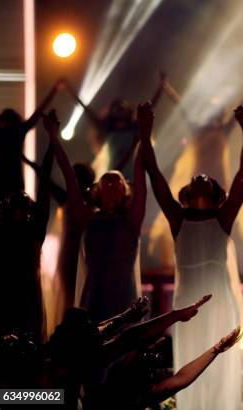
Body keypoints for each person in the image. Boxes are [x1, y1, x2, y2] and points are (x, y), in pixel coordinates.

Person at [140, 104, 243, 410]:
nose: (201, 176)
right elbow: (153, 172)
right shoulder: (178, 219)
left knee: (219, 365)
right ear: (186, 192)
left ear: (216, 193)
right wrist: (145, 131)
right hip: (188, 305)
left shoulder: (223, 218)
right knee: (191, 366)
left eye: (206, 178)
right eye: (196, 178)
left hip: (219, 305)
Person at [44, 108, 147, 323]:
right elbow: (69, 177)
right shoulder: (88, 218)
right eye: (106, 180)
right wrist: (53, 138)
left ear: (125, 190)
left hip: (124, 299)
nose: (110, 182)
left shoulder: (132, 220)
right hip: (94, 298)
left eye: (116, 180)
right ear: (97, 190)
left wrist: (144, 134)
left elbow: (140, 169)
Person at [0, 139, 54, 341]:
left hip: (20, 295)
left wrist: (53, 145)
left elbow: (44, 188)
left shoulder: (31, 229)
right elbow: (44, 188)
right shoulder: (5, 229)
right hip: (9, 295)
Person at [64, 73, 165, 179]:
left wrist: (161, 86)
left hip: (133, 173)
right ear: (112, 112)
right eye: (117, 108)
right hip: (115, 172)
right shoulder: (108, 128)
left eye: (122, 107)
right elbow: (86, 110)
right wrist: (69, 89)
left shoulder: (133, 126)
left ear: (128, 110)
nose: (120, 110)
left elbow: (150, 106)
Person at [0, 79, 64, 199]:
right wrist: (54, 89)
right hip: (15, 182)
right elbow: (37, 113)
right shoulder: (17, 131)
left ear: (0, 121)